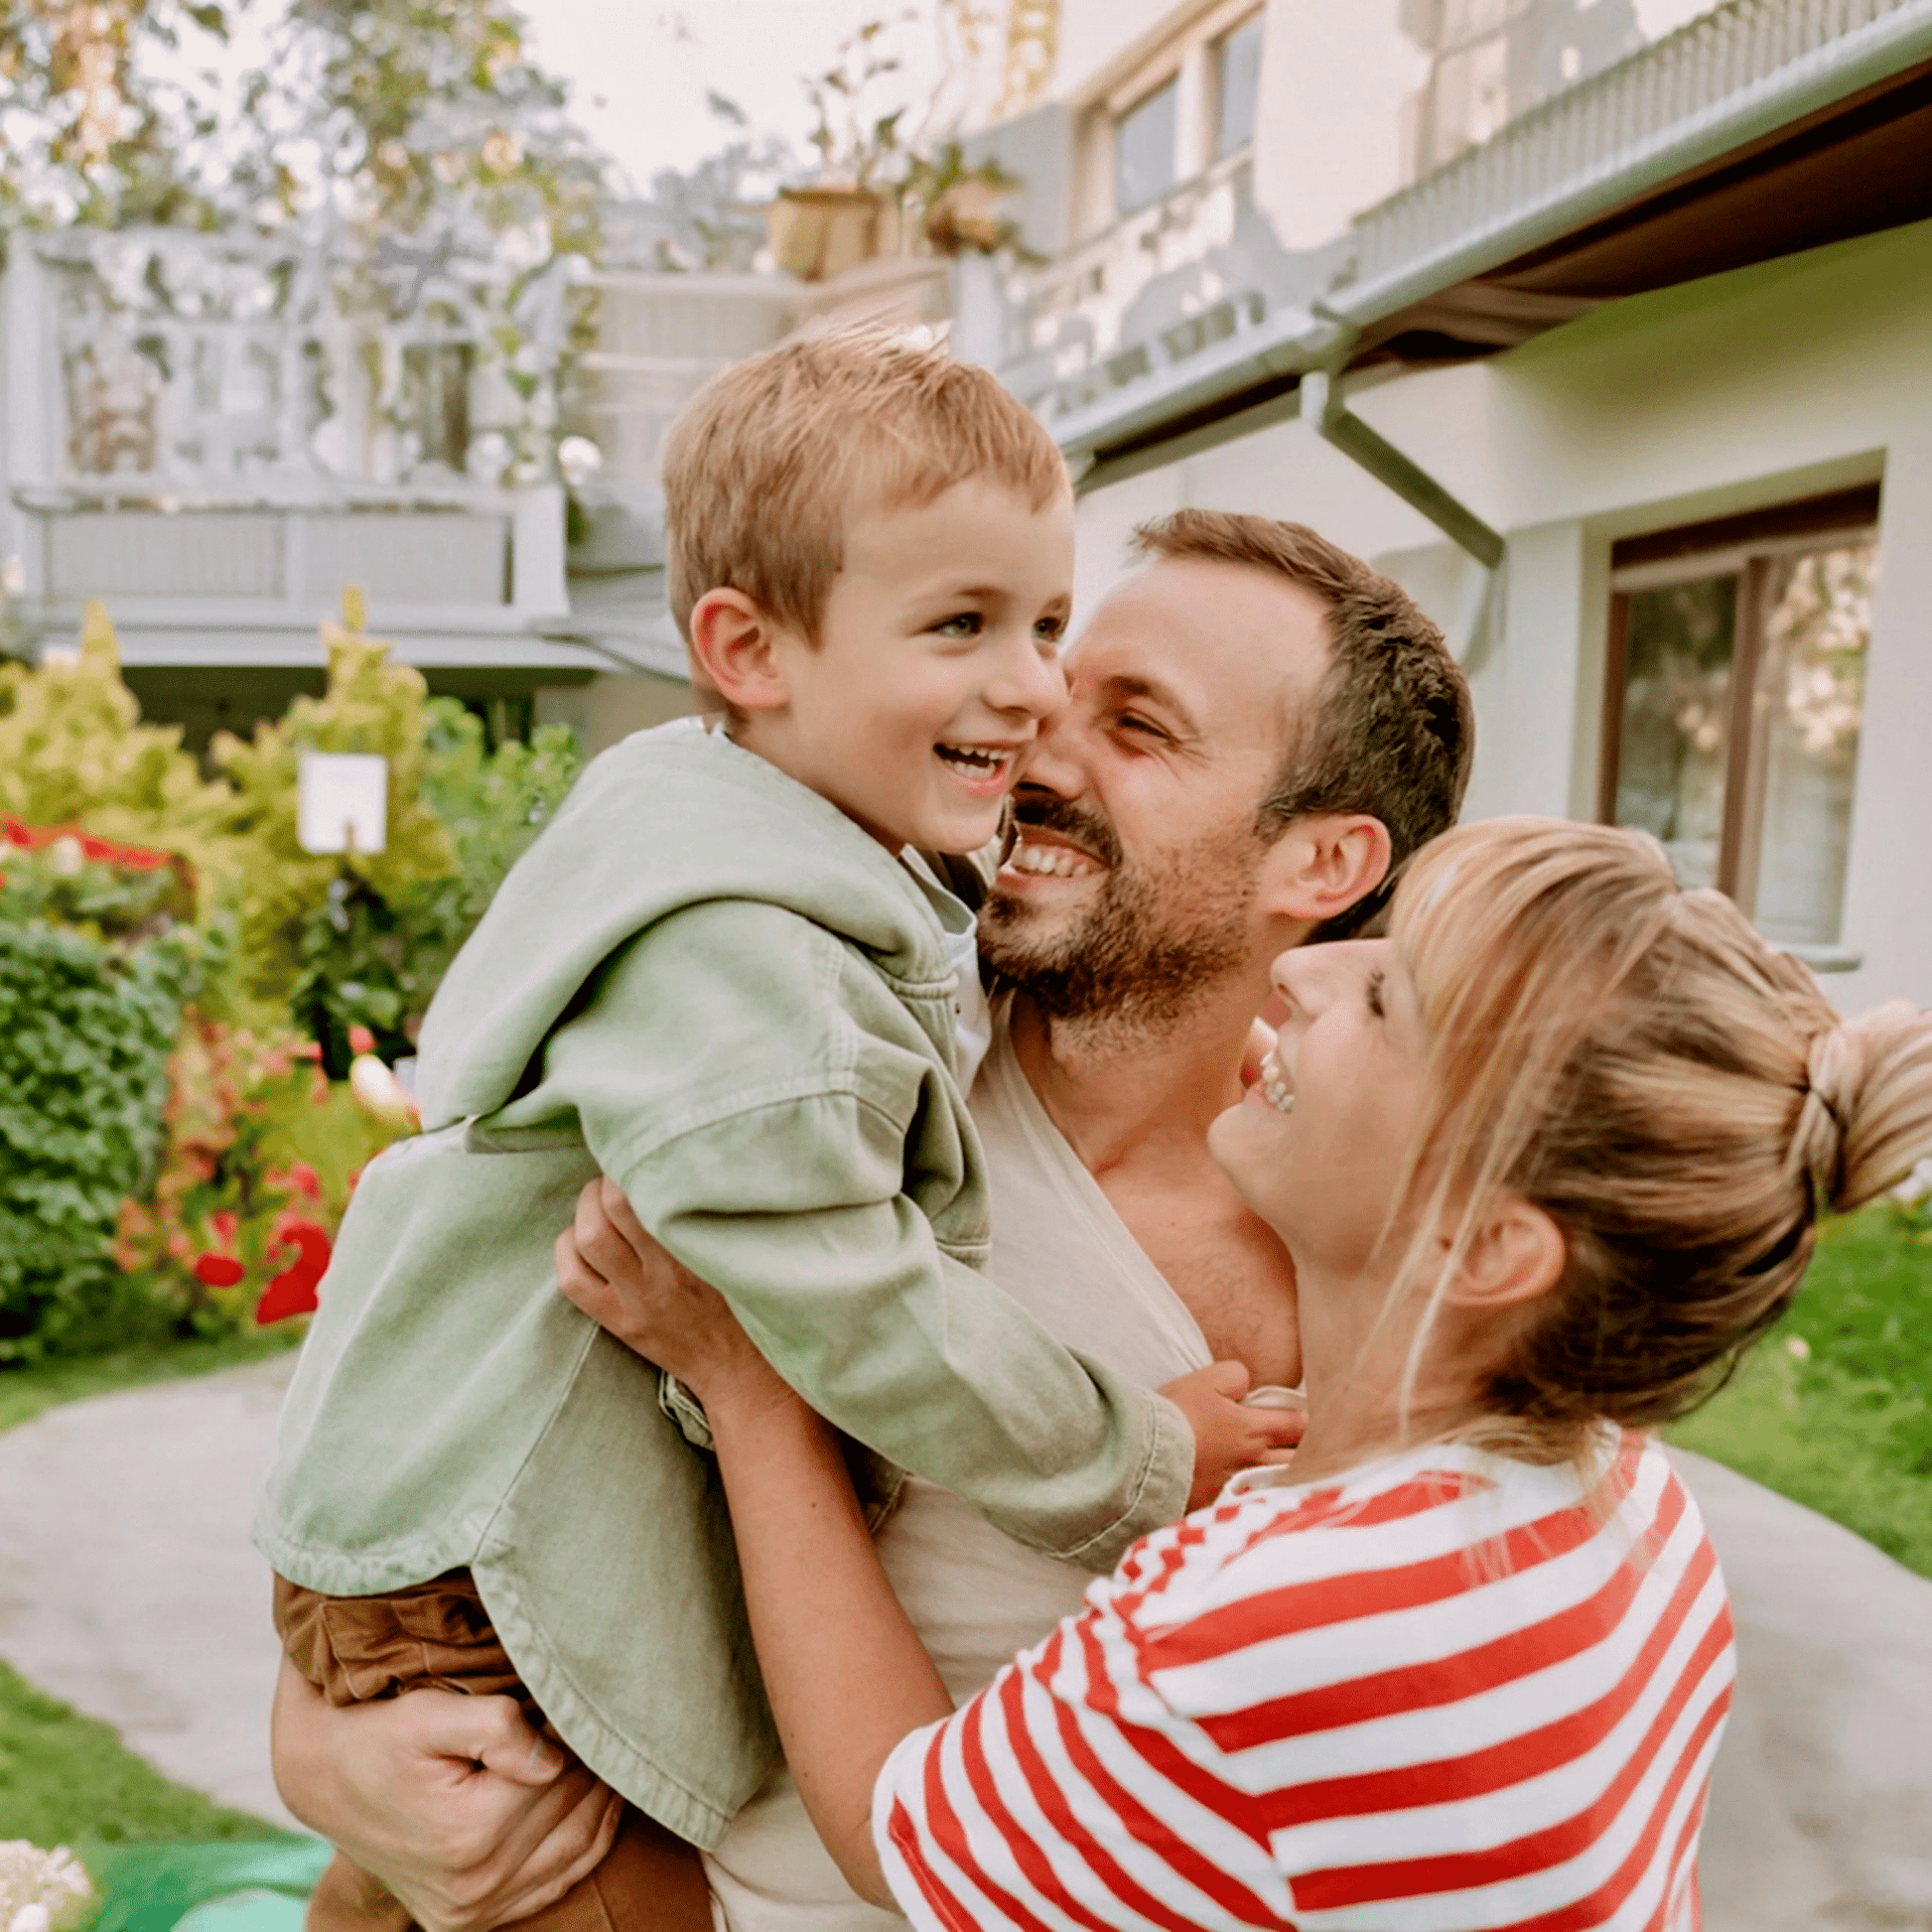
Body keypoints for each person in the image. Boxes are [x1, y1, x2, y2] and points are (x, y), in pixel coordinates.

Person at [269, 511, 1474, 1929]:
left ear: (1323, 866)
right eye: (1050, 682)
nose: (1034, 747)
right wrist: (318, 1738)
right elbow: (439, 1341)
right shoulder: (811, 1055)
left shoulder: (1359, 1274)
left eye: (1137, 728)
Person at [555, 815, 1932, 1930]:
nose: (1309, 968)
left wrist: (749, 1381)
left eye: (1389, 998)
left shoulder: (1277, 1622)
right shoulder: (1628, 1504)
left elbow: (891, 1823)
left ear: (1490, 1242)